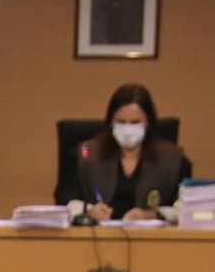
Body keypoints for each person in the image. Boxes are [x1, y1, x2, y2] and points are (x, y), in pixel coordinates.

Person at [64, 83, 190, 222]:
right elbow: (65, 201)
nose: (128, 129)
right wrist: (89, 211)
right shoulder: (87, 151)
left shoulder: (172, 156)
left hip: (149, 239)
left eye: (135, 122)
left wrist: (154, 214)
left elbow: (185, 207)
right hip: (97, 236)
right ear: (111, 122)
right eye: (121, 122)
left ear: (148, 123)